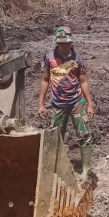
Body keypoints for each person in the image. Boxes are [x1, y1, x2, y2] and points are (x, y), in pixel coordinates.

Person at [37, 27, 95, 180]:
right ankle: (55, 168)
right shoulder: (49, 57)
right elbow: (45, 80)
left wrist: (89, 103)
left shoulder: (77, 59)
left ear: (71, 42)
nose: (64, 46)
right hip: (58, 103)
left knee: (84, 134)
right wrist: (41, 104)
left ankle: (85, 169)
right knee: (55, 136)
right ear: (57, 43)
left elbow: (83, 81)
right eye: (61, 43)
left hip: (77, 101)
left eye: (66, 43)